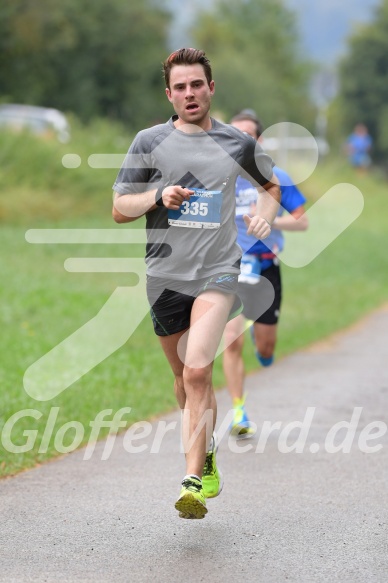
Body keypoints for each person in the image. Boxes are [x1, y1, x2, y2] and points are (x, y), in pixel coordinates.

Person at [111, 49, 280, 519]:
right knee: (182, 381)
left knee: (198, 370)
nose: (189, 93)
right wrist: (158, 197)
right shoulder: (149, 141)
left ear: (211, 88)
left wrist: (264, 218)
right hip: (164, 274)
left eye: (197, 85)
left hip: (218, 271)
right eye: (180, 87)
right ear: (169, 94)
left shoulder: (235, 142)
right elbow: (120, 208)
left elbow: (271, 188)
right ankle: (204, 453)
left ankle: (191, 482)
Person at [223, 111, 308, 437]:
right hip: (230, 268)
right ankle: (239, 412)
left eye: (248, 136)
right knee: (231, 340)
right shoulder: (219, 177)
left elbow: (302, 220)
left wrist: (270, 221)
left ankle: (264, 350)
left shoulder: (276, 176)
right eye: (235, 135)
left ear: (258, 142)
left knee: (266, 345)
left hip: (266, 267)